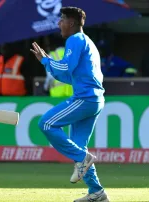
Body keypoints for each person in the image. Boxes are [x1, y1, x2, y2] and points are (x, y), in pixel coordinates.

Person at [30, 7, 109, 202]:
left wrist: (47, 61)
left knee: (46, 124)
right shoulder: (86, 41)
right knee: (79, 146)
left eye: (61, 20)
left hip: (85, 98)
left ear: (71, 23)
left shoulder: (75, 39)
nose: (58, 24)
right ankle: (96, 192)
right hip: (95, 99)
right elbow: (67, 75)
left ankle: (83, 159)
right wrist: (47, 63)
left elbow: (64, 66)